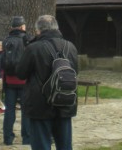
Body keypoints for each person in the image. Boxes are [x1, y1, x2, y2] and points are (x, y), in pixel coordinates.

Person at [16, 15, 78, 150]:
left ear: (38, 30)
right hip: (65, 101)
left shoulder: (33, 48)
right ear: (57, 28)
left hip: (40, 104)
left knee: (41, 145)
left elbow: (20, 74)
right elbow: (75, 72)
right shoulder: (71, 47)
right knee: (65, 145)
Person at [2, 16, 30, 146]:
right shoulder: (26, 40)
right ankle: (27, 138)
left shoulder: (6, 40)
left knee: (9, 110)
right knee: (26, 111)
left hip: (9, 80)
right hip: (24, 81)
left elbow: (2, 62)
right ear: (22, 27)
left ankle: (7, 138)